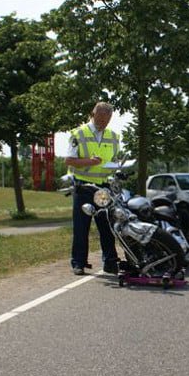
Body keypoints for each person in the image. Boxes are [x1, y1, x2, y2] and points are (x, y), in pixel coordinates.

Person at [65, 102, 121, 276]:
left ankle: (110, 262)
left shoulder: (113, 136)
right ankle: (79, 263)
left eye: (107, 119)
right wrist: (90, 162)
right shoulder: (78, 134)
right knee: (81, 227)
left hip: (103, 187)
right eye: (100, 118)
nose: (103, 122)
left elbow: (115, 160)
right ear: (93, 114)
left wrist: (118, 168)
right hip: (83, 186)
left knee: (107, 225)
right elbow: (69, 160)